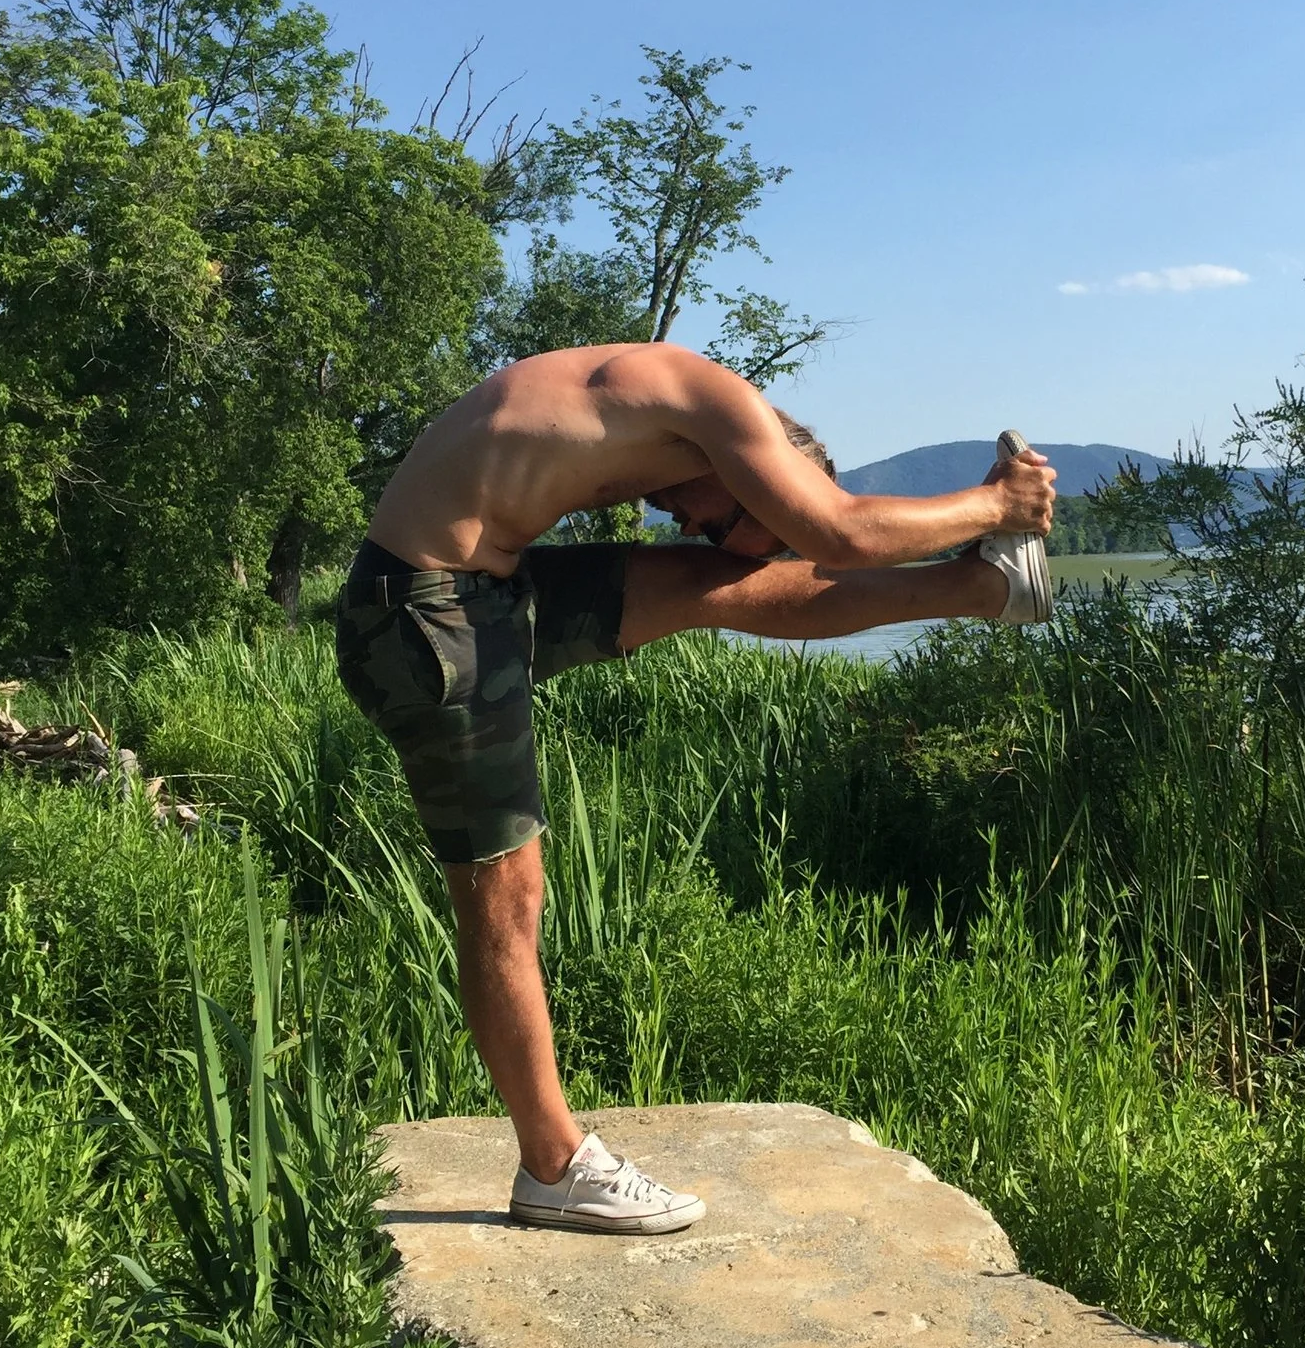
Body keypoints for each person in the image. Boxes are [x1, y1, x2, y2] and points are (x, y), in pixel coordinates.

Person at [341, 341, 1056, 1233]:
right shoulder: (713, 400)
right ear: (771, 466)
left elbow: (810, 542)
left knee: (712, 586)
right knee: (503, 893)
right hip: (420, 616)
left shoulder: (675, 410)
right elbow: (838, 532)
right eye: (726, 519)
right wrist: (998, 501)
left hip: (476, 594)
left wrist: (965, 537)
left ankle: (987, 585)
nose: (691, 525)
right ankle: (553, 1166)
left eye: (716, 523)